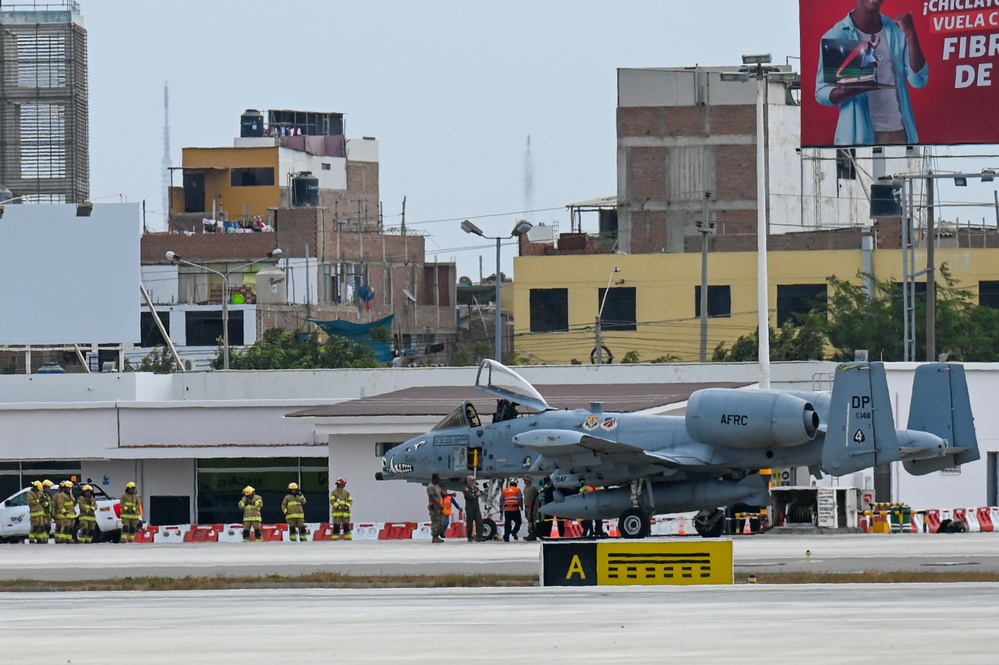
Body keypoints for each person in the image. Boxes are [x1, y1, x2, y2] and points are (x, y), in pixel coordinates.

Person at [815, 0, 927, 145]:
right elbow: (821, 91)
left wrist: (911, 35)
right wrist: (846, 92)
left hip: (901, 134)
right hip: (858, 138)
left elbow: (919, 80)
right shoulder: (837, 35)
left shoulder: (896, 30)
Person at [462, 475, 485, 542]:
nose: (473, 482)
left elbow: (480, 492)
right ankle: (469, 536)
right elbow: (469, 496)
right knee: (470, 522)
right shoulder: (466, 488)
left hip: (476, 507)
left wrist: (479, 493)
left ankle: (479, 536)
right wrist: (476, 495)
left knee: (479, 521)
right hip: (470, 507)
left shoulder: (475, 488)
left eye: (474, 480)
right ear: (468, 481)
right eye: (471, 480)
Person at [426, 473, 445, 543]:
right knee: (435, 522)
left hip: (439, 506)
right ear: (435, 479)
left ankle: (437, 535)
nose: (439, 480)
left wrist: (450, 494)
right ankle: (434, 537)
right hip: (434, 506)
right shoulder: (430, 487)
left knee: (442, 521)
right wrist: (438, 504)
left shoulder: (437, 486)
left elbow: (442, 493)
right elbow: (431, 496)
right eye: (438, 479)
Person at [522, 475, 541, 541]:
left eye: (525, 480)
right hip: (527, 507)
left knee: (532, 520)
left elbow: (540, 490)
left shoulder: (534, 486)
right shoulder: (525, 488)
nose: (524, 482)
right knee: (529, 520)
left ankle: (532, 534)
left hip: (533, 507)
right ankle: (531, 533)